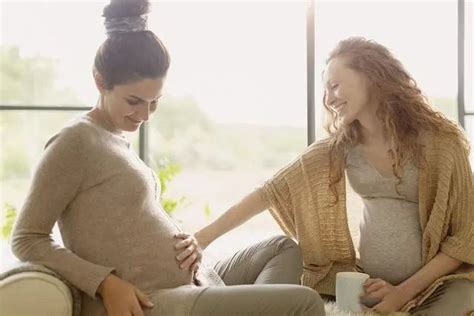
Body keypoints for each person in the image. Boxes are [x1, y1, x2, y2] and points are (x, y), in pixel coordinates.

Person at [10, 1, 325, 315]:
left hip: (196, 281)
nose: (145, 114)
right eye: (134, 101)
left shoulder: (114, 139)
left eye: (154, 102)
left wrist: (192, 242)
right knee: (305, 302)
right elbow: (27, 238)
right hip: (154, 299)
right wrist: (105, 283)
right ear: (100, 81)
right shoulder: (75, 141)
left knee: (281, 248)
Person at [193, 37, 474, 315]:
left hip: (438, 283)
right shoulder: (340, 148)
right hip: (371, 284)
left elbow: (466, 235)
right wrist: (201, 239)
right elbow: (270, 192)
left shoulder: (441, 143)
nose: (328, 98)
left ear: (372, 75)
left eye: (334, 85)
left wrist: (402, 293)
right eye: (325, 90)